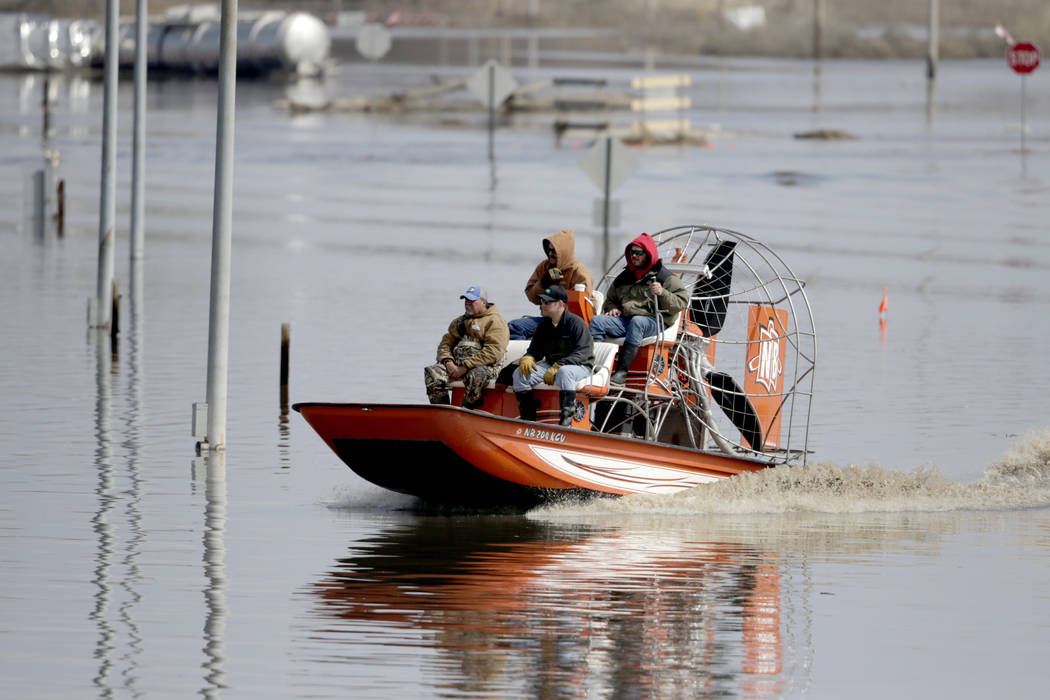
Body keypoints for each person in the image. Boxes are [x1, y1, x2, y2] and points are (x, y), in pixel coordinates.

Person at [589, 232, 689, 386]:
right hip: (626, 320)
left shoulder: (666, 278)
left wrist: (663, 293)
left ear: (648, 254)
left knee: (638, 322)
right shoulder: (624, 277)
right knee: (597, 321)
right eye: (631, 252)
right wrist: (612, 308)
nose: (634, 255)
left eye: (638, 252)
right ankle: (595, 367)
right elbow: (610, 300)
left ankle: (621, 373)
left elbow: (682, 302)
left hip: (656, 322)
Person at [512, 285, 594, 426]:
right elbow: (534, 350)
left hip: (580, 367)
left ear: (560, 304)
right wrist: (529, 357)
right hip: (552, 366)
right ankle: (528, 422)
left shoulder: (576, 323)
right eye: (542, 301)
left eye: (547, 302)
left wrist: (560, 365)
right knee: (519, 374)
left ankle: (566, 424)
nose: (542, 305)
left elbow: (582, 353)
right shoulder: (544, 326)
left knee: (565, 372)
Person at [424, 285, 509, 409]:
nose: (467, 304)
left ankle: (468, 408)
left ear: (483, 302)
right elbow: (445, 344)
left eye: (472, 301)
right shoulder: (459, 322)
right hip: (456, 366)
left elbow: (494, 351)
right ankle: (442, 411)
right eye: (466, 300)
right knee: (432, 372)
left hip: (485, 367)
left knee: (476, 374)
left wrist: (465, 367)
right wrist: (448, 363)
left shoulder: (495, 322)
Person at [508, 228, 594, 340]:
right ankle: (528, 354)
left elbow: (580, 307)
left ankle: (533, 352)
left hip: (569, 322)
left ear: (563, 252)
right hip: (548, 319)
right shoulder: (544, 267)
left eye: (554, 251)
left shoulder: (579, 272)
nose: (550, 254)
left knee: (516, 326)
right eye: (549, 250)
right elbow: (531, 296)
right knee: (512, 327)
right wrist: (543, 283)